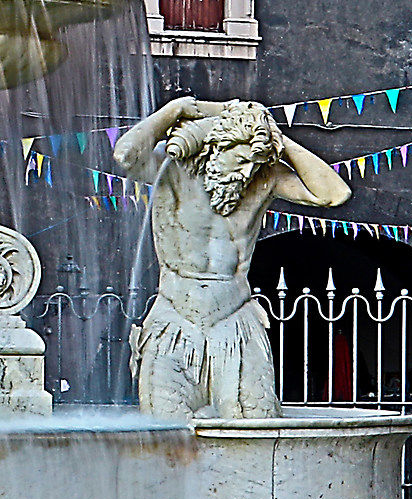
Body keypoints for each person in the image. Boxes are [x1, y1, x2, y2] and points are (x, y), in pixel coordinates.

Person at [112, 97, 352, 419]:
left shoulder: (264, 176)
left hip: (236, 320)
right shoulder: (173, 168)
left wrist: (279, 140)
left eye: (255, 163)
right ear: (218, 146)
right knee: (167, 430)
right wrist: (175, 110)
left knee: (255, 423)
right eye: (241, 160)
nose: (246, 172)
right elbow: (125, 155)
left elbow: (334, 194)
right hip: (175, 319)